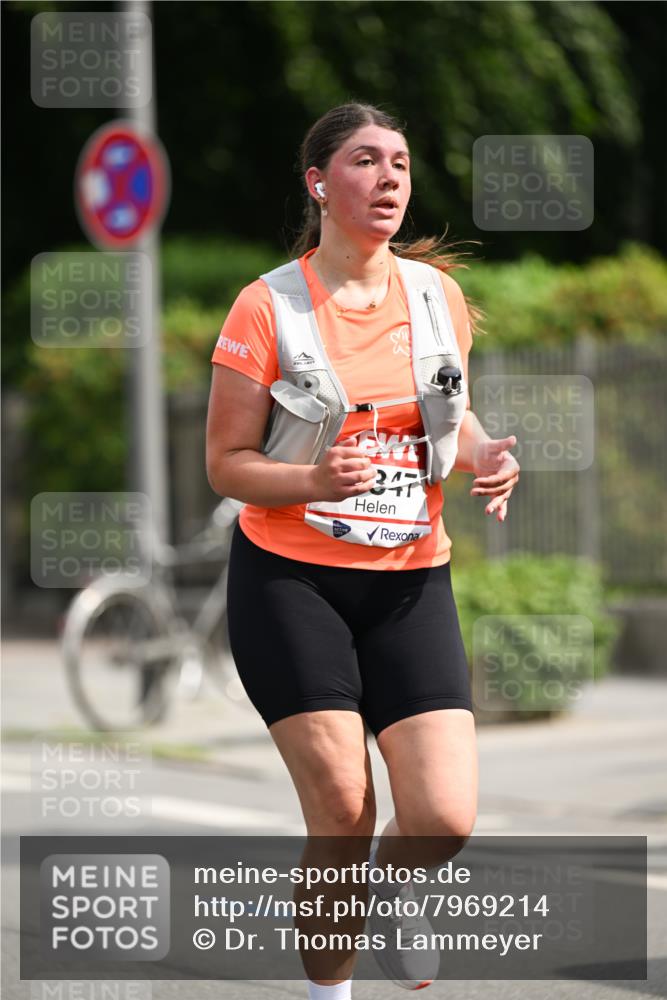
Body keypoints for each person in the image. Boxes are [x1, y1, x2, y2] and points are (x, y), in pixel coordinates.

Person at [206, 102, 520, 998]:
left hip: (411, 583)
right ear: (319, 183)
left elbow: (448, 422)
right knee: (344, 809)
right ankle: (330, 993)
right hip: (291, 584)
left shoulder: (436, 297)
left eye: (400, 164)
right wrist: (311, 483)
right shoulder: (267, 306)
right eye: (364, 161)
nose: (388, 178)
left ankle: (388, 896)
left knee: (443, 818)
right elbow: (226, 464)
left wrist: (486, 455)